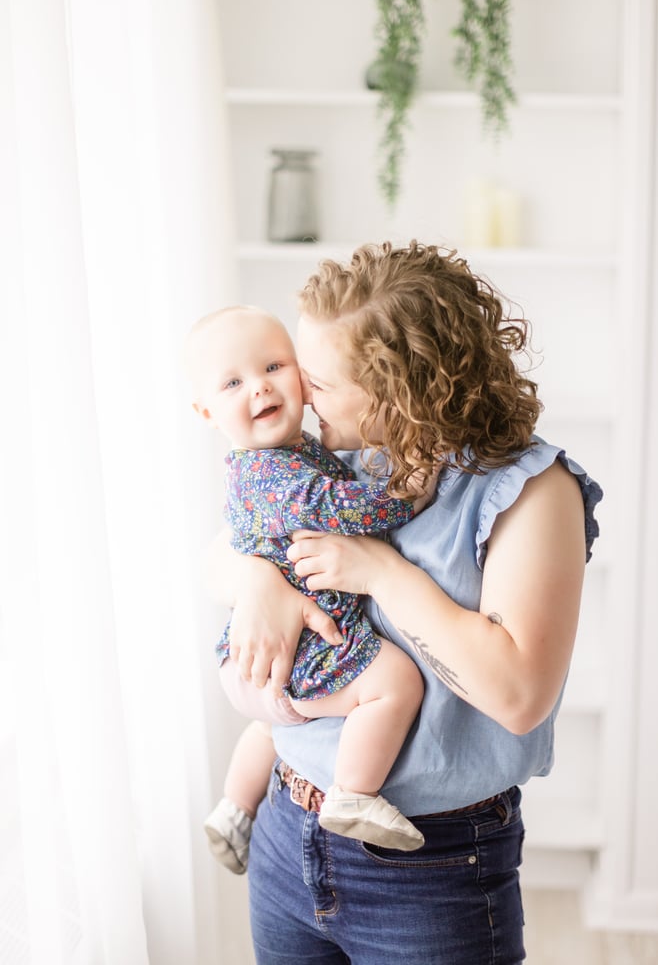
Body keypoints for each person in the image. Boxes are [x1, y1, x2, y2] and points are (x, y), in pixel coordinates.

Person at [211, 242, 603, 965]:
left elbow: (518, 696)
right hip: (284, 824)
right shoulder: (342, 451)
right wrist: (257, 579)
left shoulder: (529, 492)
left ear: (399, 393)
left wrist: (384, 575)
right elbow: (240, 533)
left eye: (317, 381)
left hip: (428, 866)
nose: (293, 392)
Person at [184, 305, 435, 874]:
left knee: (276, 726)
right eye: (233, 382)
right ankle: (352, 793)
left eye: (275, 365)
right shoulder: (272, 473)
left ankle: (233, 810)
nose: (260, 387)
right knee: (394, 681)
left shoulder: (291, 453)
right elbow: (338, 508)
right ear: (206, 411)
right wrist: (405, 493)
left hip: (262, 659)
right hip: (297, 654)